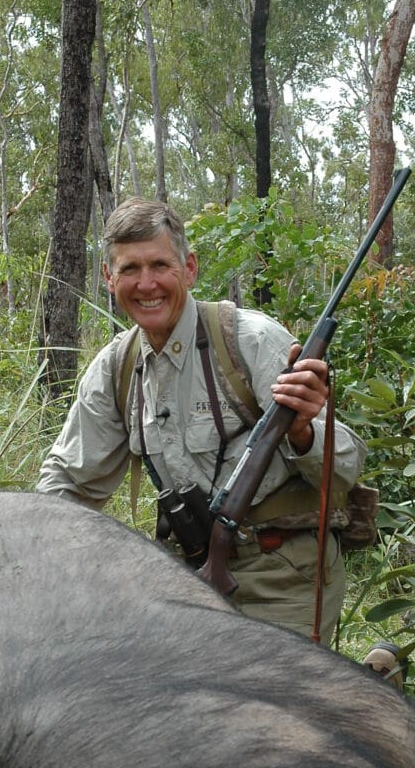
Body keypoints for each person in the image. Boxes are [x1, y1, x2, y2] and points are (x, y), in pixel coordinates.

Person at [36, 196, 368, 644]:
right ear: (109, 278)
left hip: (284, 572)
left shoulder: (250, 340)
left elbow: (346, 467)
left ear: (189, 269)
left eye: (160, 265)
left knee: (263, 708)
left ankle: (371, 680)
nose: (146, 283)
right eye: (130, 269)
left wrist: (303, 431)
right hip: (189, 575)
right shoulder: (116, 367)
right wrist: (25, 546)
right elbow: (69, 482)